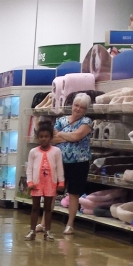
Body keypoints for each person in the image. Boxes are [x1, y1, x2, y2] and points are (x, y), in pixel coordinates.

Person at [52, 93, 93, 234]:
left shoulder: (87, 122)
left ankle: (70, 225)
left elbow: (77, 136)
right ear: (72, 105)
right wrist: (70, 137)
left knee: (74, 193)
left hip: (79, 163)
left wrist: (62, 135)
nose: (78, 109)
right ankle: (45, 222)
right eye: (76, 105)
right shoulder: (61, 120)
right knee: (52, 192)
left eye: (82, 107)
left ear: (86, 109)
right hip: (60, 161)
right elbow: (53, 138)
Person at [25, 122, 64, 242]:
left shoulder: (56, 151)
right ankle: (32, 231)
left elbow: (59, 167)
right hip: (36, 183)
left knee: (48, 208)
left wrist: (61, 182)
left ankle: (47, 232)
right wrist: (30, 182)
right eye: (41, 136)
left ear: (51, 137)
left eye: (46, 136)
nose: (43, 139)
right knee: (35, 207)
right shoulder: (33, 152)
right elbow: (29, 168)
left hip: (50, 183)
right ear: (38, 138)